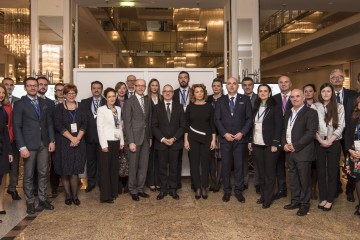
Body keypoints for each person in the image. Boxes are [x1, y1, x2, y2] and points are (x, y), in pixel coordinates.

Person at [13, 77, 55, 214]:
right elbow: (17, 127)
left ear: (37, 87)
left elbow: (49, 123)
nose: (32, 88)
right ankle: (30, 201)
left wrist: (52, 140)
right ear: (25, 88)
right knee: (29, 175)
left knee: (43, 173)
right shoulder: (20, 104)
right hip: (28, 145)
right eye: (29, 86)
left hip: (44, 143)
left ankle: (42, 199)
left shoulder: (44, 102)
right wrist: (21, 147)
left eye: (34, 85)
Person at [215, 77, 252, 203]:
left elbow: (249, 119)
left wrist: (242, 133)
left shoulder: (245, 99)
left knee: (239, 166)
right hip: (225, 139)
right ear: (226, 86)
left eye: (234, 83)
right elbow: (217, 119)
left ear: (238, 86)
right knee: (225, 166)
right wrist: (224, 133)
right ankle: (227, 191)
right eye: (229, 84)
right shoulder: (220, 100)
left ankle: (238, 191)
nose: (231, 86)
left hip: (240, 139)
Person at [282, 89, 318, 216]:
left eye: (298, 96)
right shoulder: (288, 112)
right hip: (289, 152)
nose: (295, 99)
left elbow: (310, 133)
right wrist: (284, 144)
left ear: (303, 98)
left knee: (304, 180)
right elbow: (283, 130)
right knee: (293, 178)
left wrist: (295, 146)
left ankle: (304, 204)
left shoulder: (311, 112)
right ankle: (295, 201)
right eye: (292, 97)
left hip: (303, 152)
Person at [248, 84, 282, 209]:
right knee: (260, 173)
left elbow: (279, 126)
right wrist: (250, 141)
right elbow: (253, 126)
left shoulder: (275, 107)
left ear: (269, 93)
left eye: (265, 91)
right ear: (258, 93)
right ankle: (262, 195)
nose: (262, 93)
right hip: (257, 143)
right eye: (260, 91)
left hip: (270, 145)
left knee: (269, 173)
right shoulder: (255, 107)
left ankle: (268, 198)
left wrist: (275, 143)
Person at [313, 83, 345, 211]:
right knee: (320, 172)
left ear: (332, 93)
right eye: (323, 91)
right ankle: (323, 198)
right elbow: (312, 126)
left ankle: (330, 199)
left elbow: (341, 125)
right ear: (320, 93)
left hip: (334, 142)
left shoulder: (339, 107)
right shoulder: (315, 107)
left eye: (328, 91)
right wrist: (320, 139)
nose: (326, 93)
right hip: (319, 142)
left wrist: (330, 140)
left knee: (332, 172)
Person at [54, 84, 86, 206]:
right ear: (64, 95)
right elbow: (58, 125)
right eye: (69, 93)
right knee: (65, 170)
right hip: (64, 142)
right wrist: (71, 138)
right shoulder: (59, 108)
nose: (71, 95)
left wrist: (77, 138)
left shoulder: (82, 106)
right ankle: (68, 195)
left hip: (79, 142)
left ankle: (75, 195)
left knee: (75, 171)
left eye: (73, 93)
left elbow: (85, 124)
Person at [152, 84, 186, 200]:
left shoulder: (179, 107)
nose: (167, 93)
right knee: (161, 167)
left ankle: (173, 189)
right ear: (162, 93)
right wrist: (162, 139)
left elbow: (182, 126)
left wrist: (174, 138)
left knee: (174, 167)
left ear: (173, 93)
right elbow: (154, 126)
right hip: (161, 143)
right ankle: (162, 189)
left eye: (170, 91)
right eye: (165, 91)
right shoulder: (157, 107)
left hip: (175, 143)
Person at [184, 84, 216, 200]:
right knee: (194, 163)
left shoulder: (209, 107)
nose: (199, 94)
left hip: (207, 138)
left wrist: (213, 140)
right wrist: (186, 140)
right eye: (197, 92)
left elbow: (213, 125)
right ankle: (197, 187)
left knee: (206, 163)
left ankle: (204, 187)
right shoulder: (189, 107)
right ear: (194, 94)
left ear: (204, 93)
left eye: (201, 91)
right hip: (192, 138)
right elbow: (186, 126)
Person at [329, 69, 357, 201]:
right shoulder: (327, 94)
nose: (337, 79)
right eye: (334, 77)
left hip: (350, 134)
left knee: (351, 162)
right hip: (333, 134)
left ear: (343, 78)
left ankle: (350, 189)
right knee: (333, 162)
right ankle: (336, 187)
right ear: (330, 80)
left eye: (340, 76)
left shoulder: (353, 94)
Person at [123, 79, 152, 201]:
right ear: (134, 86)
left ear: (145, 87)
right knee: (133, 166)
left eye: (143, 86)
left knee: (143, 166)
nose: (140, 88)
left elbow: (149, 120)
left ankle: (140, 189)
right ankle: (133, 190)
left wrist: (150, 137)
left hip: (145, 138)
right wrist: (131, 141)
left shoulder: (148, 100)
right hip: (134, 139)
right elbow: (127, 123)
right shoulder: (129, 102)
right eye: (138, 86)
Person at [97, 88, 124, 203]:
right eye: (109, 96)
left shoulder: (118, 109)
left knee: (114, 168)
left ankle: (113, 192)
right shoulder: (101, 109)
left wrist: (122, 142)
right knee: (105, 170)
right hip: (106, 142)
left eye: (114, 96)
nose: (112, 98)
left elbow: (120, 126)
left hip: (116, 141)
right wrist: (103, 144)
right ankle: (106, 196)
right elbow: (100, 128)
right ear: (105, 98)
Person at [80, 81, 106, 193]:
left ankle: (102, 183)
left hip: (103, 138)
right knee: (90, 162)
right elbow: (81, 119)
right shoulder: (84, 102)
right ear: (91, 89)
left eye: (98, 88)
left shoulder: (107, 101)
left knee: (102, 162)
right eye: (94, 88)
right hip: (89, 137)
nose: (96, 90)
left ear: (102, 89)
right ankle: (91, 183)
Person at [36, 76, 58, 196]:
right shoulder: (27, 101)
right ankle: (32, 193)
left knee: (43, 170)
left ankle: (42, 195)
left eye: (45, 85)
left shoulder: (50, 102)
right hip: (31, 140)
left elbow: (51, 123)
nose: (43, 86)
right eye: (40, 84)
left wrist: (52, 140)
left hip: (46, 141)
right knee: (31, 171)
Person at [273, 75, 293, 200]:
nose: (284, 84)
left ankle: (296, 191)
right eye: (281, 82)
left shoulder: (296, 97)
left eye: (286, 82)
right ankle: (282, 189)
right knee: (279, 165)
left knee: (293, 166)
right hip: (277, 136)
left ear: (290, 83)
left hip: (293, 138)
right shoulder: (273, 99)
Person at [2, 78, 20, 200]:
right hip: (2, 138)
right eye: (6, 85)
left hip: (15, 138)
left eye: (11, 85)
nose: (9, 87)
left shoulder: (19, 101)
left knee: (15, 165)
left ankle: (12, 188)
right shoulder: (1, 101)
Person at [173, 71, 191, 189]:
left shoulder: (195, 92)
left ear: (188, 79)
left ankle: (195, 182)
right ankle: (177, 182)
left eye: (185, 77)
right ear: (178, 80)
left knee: (194, 156)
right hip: (177, 128)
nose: (183, 79)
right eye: (181, 78)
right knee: (177, 157)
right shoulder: (173, 93)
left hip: (192, 127)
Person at [242, 76, 259, 193]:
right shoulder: (239, 98)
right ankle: (244, 182)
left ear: (253, 86)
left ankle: (258, 183)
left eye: (249, 85)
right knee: (243, 159)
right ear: (242, 86)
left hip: (257, 133)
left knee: (257, 159)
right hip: (243, 133)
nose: (247, 87)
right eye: (245, 85)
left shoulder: (259, 98)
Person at [206, 78, 223, 192]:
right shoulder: (207, 99)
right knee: (211, 158)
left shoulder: (226, 99)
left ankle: (218, 181)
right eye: (214, 86)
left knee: (221, 158)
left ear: (221, 87)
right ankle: (212, 181)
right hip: (210, 132)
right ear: (212, 87)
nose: (216, 87)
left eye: (218, 85)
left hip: (222, 132)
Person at [344, 95, 360, 216]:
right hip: (354, 153)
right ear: (357, 105)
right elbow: (347, 136)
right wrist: (350, 150)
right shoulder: (353, 118)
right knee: (357, 180)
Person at [0, 84, 13, 220]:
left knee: (3, 178)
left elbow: (5, 133)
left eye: (3, 92)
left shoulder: (3, 109)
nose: (1, 95)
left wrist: (9, 151)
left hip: (3, 149)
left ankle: (1, 204)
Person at [303, 83, 318, 200]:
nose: (308, 93)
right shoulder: (300, 105)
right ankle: (305, 188)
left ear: (314, 92)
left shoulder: (319, 105)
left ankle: (313, 188)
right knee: (305, 167)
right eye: (306, 91)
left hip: (316, 140)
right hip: (303, 141)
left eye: (310, 91)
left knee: (315, 166)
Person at [147, 78, 162, 191]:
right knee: (150, 158)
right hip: (149, 132)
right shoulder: (146, 99)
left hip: (161, 132)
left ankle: (158, 181)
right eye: (152, 85)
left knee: (159, 159)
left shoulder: (162, 98)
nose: (154, 87)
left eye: (156, 85)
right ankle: (151, 181)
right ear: (149, 87)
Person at [114, 81, 129, 194]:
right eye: (119, 88)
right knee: (117, 160)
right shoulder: (112, 102)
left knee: (127, 160)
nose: (122, 90)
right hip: (116, 134)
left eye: (124, 88)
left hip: (127, 134)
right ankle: (118, 184)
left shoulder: (129, 101)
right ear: (116, 90)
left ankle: (127, 184)